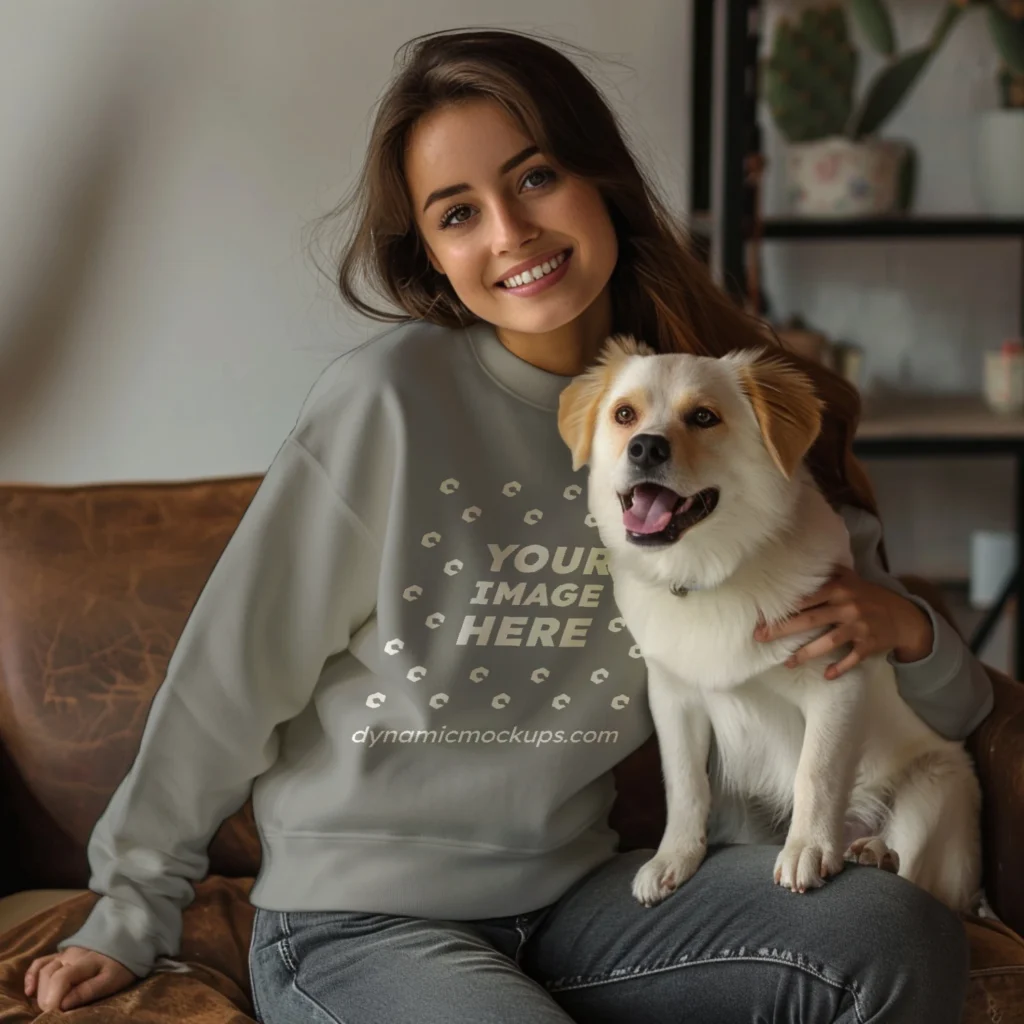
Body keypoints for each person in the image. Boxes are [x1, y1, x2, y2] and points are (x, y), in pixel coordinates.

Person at [24, 27, 993, 1023]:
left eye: (534, 178)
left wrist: (911, 633)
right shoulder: (390, 403)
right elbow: (230, 674)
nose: (509, 232)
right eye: (458, 213)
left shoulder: (714, 406)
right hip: (359, 921)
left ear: (599, 178)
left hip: (579, 900)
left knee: (885, 935)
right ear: (436, 260)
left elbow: (905, 681)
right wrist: (128, 909)